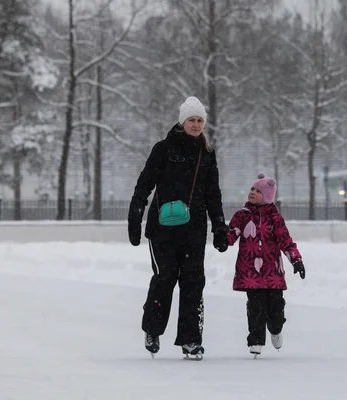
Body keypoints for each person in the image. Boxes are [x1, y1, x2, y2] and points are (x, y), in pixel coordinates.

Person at [127, 96, 229, 358]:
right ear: (182, 121)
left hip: (194, 229)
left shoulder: (206, 154)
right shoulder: (163, 149)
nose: (196, 125)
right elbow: (144, 184)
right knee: (165, 278)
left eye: (199, 121)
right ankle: (153, 329)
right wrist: (135, 218)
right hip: (162, 228)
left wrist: (219, 227)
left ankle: (190, 339)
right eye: (191, 120)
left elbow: (213, 195)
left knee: (194, 282)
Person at [226, 174, 306, 356]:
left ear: (268, 196)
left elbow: (285, 241)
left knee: (276, 308)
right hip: (250, 272)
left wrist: (296, 259)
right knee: (255, 308)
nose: (252, 192)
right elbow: (231, 235)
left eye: (258, 191)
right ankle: (255, 339)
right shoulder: (242, 216)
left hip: (272, 273)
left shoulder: (275, 219)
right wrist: (222, 238)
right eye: (252, 189)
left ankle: (275, 328)